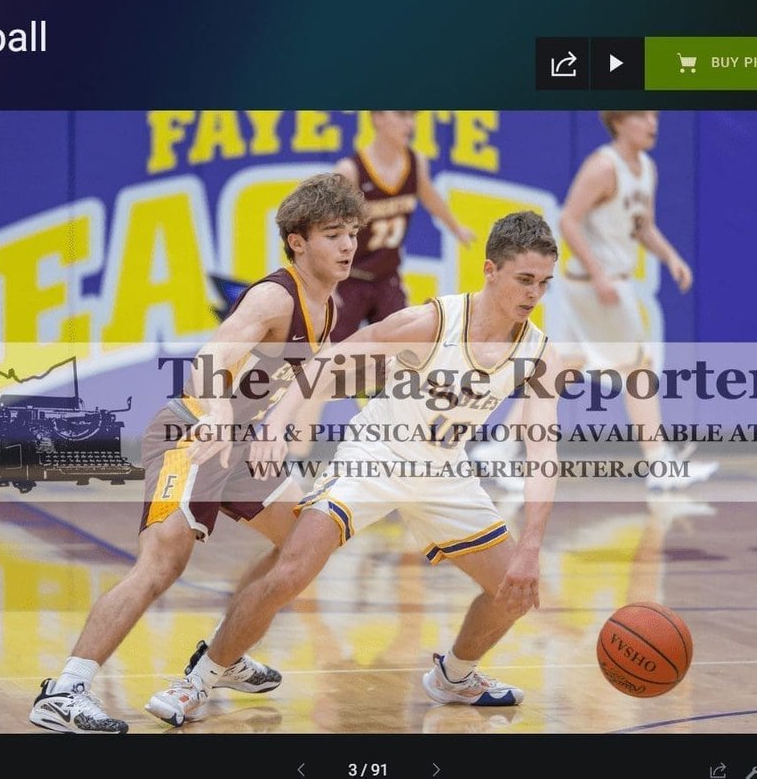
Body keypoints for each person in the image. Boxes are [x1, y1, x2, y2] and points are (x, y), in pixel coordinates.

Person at [147, 211, 564, 726]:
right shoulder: (431, 323)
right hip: (375, 455)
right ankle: (200, 680)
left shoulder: (539, 353)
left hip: (444, 472)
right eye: (525, 279)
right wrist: (278, 422)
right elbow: (329, 360)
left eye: (544, 283)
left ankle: (454, 676)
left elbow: (542, 453)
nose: (534, 294)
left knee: (515, 592)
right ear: (490, 270)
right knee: (292, 570)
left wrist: (531, 547)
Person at [29, 173, 365, 733]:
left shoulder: (329, 303)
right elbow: (210, 360)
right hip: (191, 435)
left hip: (239, 447)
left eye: (352, 233)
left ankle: (223, 657)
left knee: (303, 542)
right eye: (334, 234)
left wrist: (283, 429)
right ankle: (63, 692)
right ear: (298, 241)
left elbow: (306, 378)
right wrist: (221, 414)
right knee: (161, 566)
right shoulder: (274, 296)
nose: (348, 245)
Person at [473, 111, 715, 492]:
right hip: (596, 287)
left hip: (586, 287)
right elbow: (568, 220)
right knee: (638, 369)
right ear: (619, 121)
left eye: (654, 115)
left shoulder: (647, 169)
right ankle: (659, 463)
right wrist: (599, 273)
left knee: (558, 371)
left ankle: (499, 449)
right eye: (642, 116)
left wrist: (671, 257)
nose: (652, 123)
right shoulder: (603, 166)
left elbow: (644, 226)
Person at [329, 110, 475, 342]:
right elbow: (328, 232)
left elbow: (430, 196)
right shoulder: (350, 170)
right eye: (402, 115)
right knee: (334, 352)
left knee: (402, 348)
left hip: (386, 276)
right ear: (377, 118)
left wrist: (456, 228)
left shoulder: (416, 162)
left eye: (412, 117)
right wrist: (328, 284)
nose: (410, 124)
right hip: (349, 279)